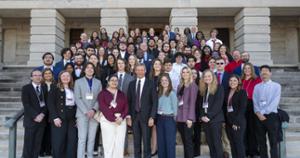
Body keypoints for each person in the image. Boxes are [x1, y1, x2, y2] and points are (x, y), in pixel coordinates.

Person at [127, 63, 158, 158]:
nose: (140, 72)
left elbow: (155, 102)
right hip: (134, 117)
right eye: (138, 70)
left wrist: (152, 117)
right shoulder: (131, 84)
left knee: (146, 142)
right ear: (135, 71)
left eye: (142, 70)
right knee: (136, 142)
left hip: (147, 117)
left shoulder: (151, 83)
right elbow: (128, 101)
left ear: (145, 71)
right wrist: (128, 116)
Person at [74, 62, 102, 158]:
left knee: (92, 139)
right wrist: (86, 111)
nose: (90, 69)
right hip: (82, 114)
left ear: (94, 70)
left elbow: (100, 98)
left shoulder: (98, 82)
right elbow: (77, 98)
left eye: (92, 68)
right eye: (88, 68)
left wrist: (94, 110)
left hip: (94, 114)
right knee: (82, 139)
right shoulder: (78, 82)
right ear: (84, 70)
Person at [47, 71, 77, 158]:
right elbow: (50, 103)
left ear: (70, 78)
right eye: (63, 76)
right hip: (59, 116)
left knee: (72, 140)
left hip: (72, 117)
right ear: (60, 77)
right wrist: (55, 117)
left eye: (68, 76)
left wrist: (78, 118)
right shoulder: (54, 88)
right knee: (58, 141)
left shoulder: (74, 88)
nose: (65, 77)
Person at [253, 65, 281, 158]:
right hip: (258, 117)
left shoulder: (276, 86)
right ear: (260, 74)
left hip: (271, 116)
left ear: (270, 73)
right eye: (262, 71)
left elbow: (275, 102)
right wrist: (258, 113)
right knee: (261, 141)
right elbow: (255, 100)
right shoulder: (257, 87)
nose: (264, 73)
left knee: (273, 141)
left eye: (266, 71)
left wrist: (263, 112)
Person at [98, 75, 128, 158]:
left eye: (116, 80)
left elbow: (126, 107)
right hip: (107, 120)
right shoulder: (102, 93)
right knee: (108, 142)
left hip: (121, 120)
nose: (114, 82)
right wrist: (114, 119)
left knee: (119, 143)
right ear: (108, 82)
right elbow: (103, 107)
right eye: (112, 80)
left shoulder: (122, 94)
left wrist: (121, 117)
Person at [21, 70, 47, 158]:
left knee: (37, 144)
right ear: (31, 77)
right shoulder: (26, 88)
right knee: (28, 144)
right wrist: (36, 115)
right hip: (31, 120)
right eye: (35, 75)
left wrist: (42, 114)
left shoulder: (44, 87)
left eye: (40, 75)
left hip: (42, 121)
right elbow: (26, 104)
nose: (38, 77)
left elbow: (47, 103)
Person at [199, 70, 224, 158]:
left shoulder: (219, 87)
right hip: (206, 120)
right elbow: (201, 105)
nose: (207, 78)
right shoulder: (204, 89)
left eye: (209, 76)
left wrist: (208, 116)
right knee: (210, 143)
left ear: (213, 77)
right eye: (205, 76)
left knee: (217, 143)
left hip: (215, 120)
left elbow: (218, 104)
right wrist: (202, 116)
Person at [176, 67, 198, 158]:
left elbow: (193, 103)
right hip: (180, 117)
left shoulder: (193, 85)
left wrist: (190, 118)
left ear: (190, 74)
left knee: (188, 141)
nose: (185, 74)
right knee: (185, 141)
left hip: (188, 118)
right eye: (183, 72)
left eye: (187, 72)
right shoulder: (180, 85)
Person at [241, 62, 262, 157]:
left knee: (252, 129)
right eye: (245, 68)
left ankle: (253, 151)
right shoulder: (240, 79)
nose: (247, 70)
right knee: (244, 128)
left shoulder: (257, 80)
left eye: (249, 68)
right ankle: (245, 150)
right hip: (242, 105)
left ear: (252, 69)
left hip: (252, 104)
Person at [115, 58, 134, 156]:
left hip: (126, 107)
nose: (120, 65)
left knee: (124, 130)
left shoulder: (130, 78)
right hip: (114, 108)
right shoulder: (112, 76)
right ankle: (116, 150)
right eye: (118, 63)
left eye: (122, 63)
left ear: (125, 64)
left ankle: (124, 150)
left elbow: (132, 95)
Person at [225, 75, 247, 158]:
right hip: (229, 122)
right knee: (232, 144)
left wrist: (236, 122)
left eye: (234, 80)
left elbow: (242, 109)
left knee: (238, 144)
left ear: (238, 82)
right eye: (231, 80)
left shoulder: (242, 92)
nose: (232, 82)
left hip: (238, 122)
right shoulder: (227, 91)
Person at [156, 73, 178, 158]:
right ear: (160, 82)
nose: (164, 82)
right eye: (162, 80)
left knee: (169, 142)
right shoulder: (159, 93)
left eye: (166, 80)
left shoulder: (172, 93)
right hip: (160, 119)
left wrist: (174, 120)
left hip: (169, 119)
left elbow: (175, 108)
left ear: (169, 81)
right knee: (161, 142)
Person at [215, 58, 231, 158]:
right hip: (214, 107)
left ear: (225, 64)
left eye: (221, 63)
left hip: (225, 107)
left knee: (225, 130)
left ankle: (226, 151)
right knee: (216, 131)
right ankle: (218, 150)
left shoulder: (229, 76)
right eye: (218, 63)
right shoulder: (212, 76)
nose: (220, 65)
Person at [39, 68, 56, 156]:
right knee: (42, 132)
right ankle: (41, 151)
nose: (48, 75)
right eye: (46, 73)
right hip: (43, 112)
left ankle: (49, 150)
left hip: (52, 112)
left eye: (49, 73)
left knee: (50, 132)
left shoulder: (56, 85)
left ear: (52, 75)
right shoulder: (40, 85)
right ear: (43, 75)